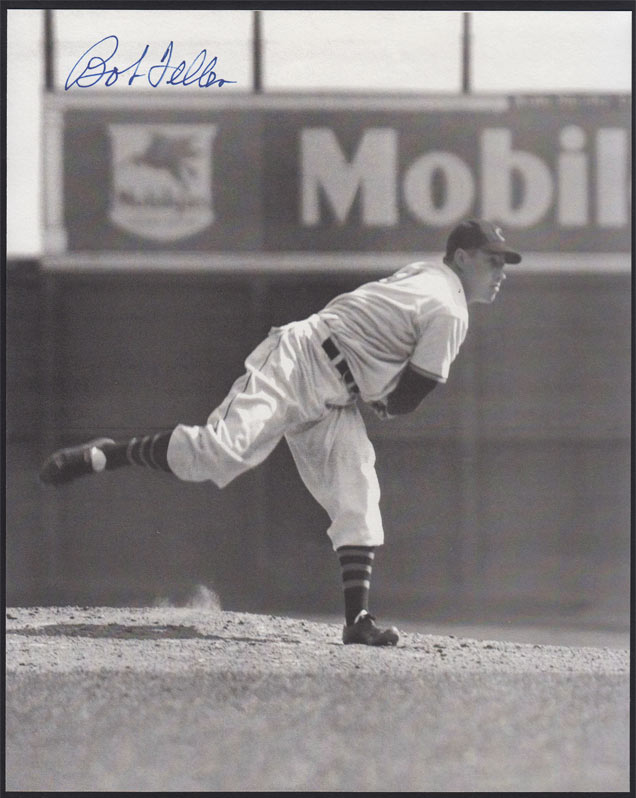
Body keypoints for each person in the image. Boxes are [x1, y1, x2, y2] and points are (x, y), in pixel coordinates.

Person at [40, 218, 522, 646]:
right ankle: (108, 454)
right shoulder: (450, 308)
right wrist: (387, 402)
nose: (500, 271)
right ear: (461, 257)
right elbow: (414, 392)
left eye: (504, 262)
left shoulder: (427, 273)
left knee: (358, 492)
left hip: (334, 394)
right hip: (301, 358)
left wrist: (375, 387)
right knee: (221, 451)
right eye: (492, 260)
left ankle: (358, 620)